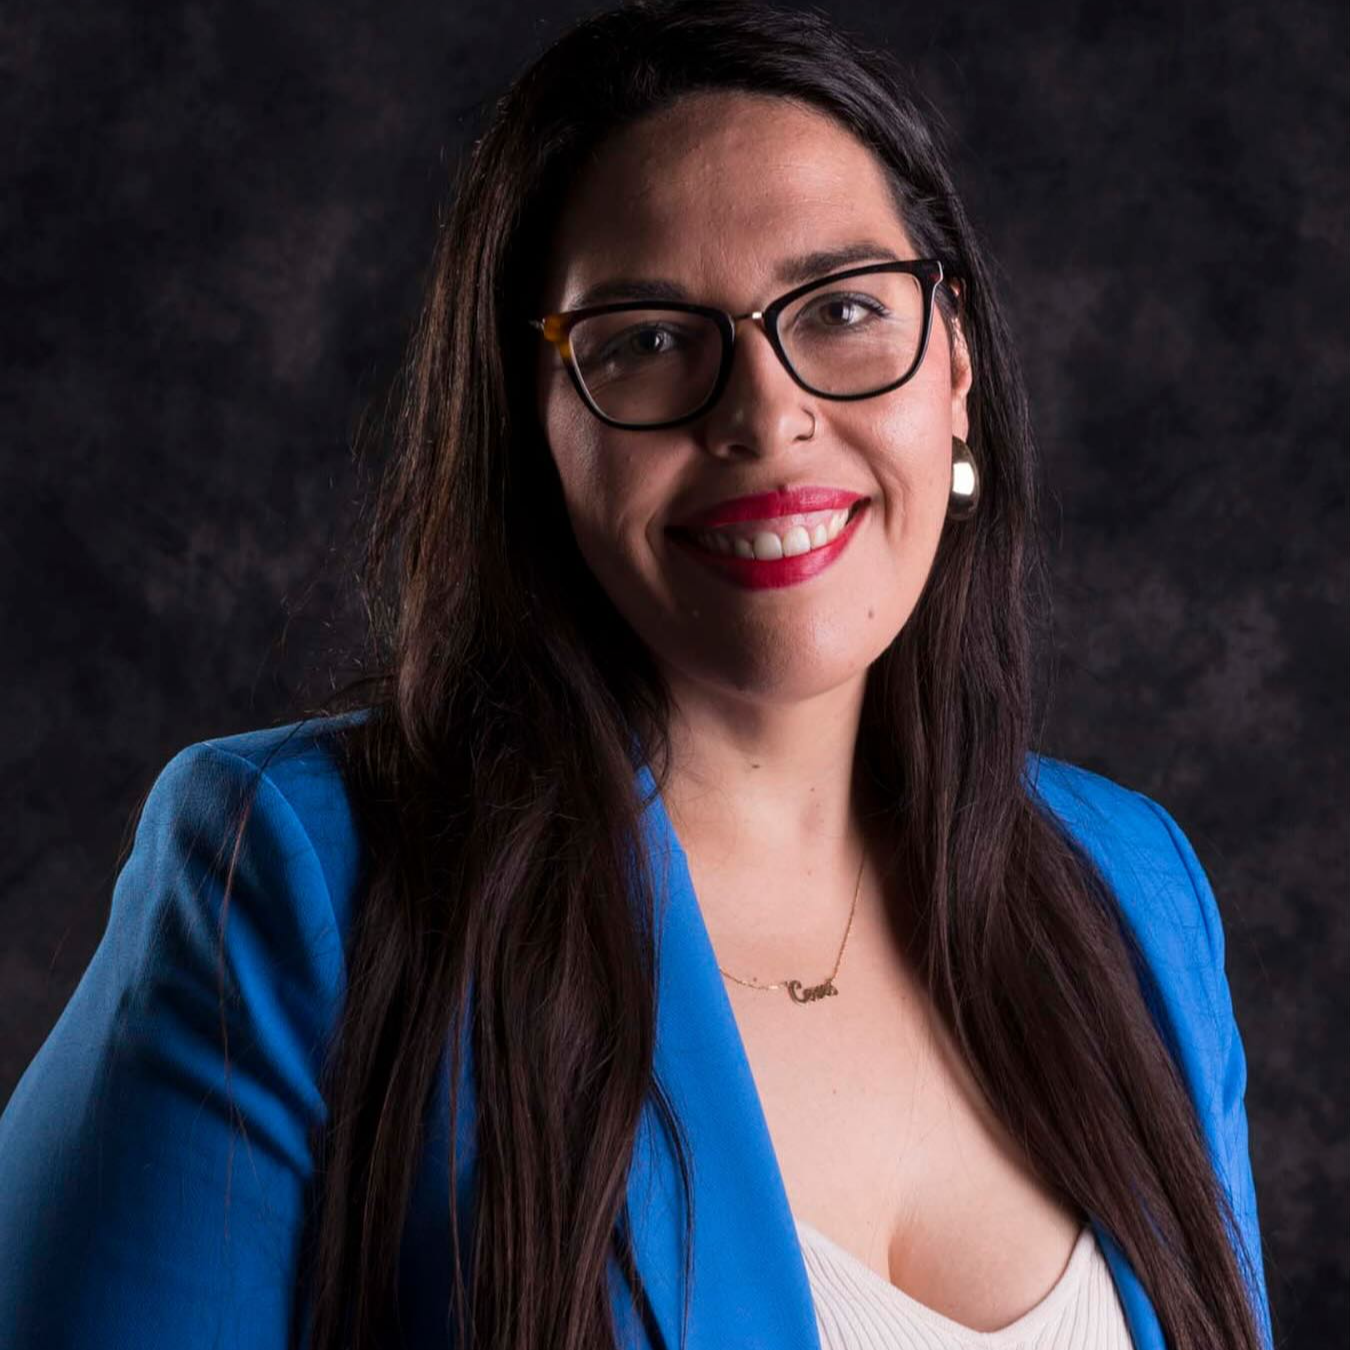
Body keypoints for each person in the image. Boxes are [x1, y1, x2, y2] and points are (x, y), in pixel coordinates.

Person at [0, 2, 1274, 1348]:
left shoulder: (1134, 888)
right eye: (649, 340)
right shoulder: (301, 879)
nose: (766, 414)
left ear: (952, 363)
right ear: (533, 424)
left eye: (843, 309)